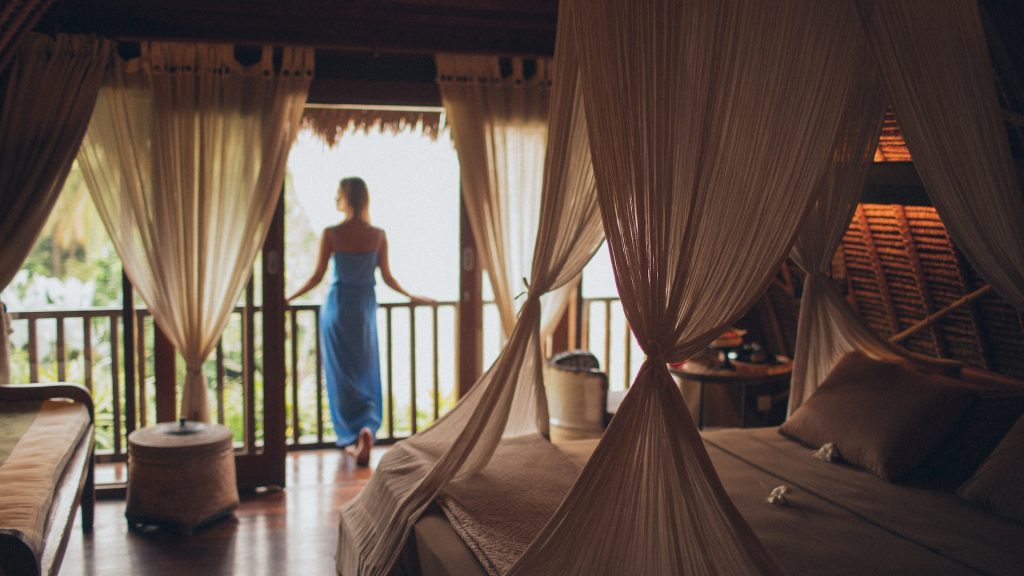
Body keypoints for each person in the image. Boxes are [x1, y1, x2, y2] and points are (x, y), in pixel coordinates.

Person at [287, 177, 432, 466]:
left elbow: (316, 277)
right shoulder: (377, 235)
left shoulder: (332, 234)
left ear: (347, 198)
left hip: (338, 309)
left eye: (338, 194)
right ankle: (366, 429)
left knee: (342, 376)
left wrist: (287, 299)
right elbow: (388, 279)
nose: (335, 199)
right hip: (364, 310)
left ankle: (353, 436)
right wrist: (413, 297)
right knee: (366, 371)